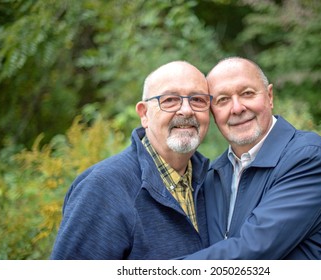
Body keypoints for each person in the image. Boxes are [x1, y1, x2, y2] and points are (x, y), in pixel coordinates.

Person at [184, 57, 321, 259]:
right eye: (223, 100)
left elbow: (254, 249)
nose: (237, 108)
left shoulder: (308, 157)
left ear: (269, 96)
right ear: (212, 112)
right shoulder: (213, 175)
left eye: (247, 94)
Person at [50, 61, 213, 259]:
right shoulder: (103, 188)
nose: (186, 110)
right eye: (170, 100)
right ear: (144, 114)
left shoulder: (213, 182)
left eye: (197, 100)